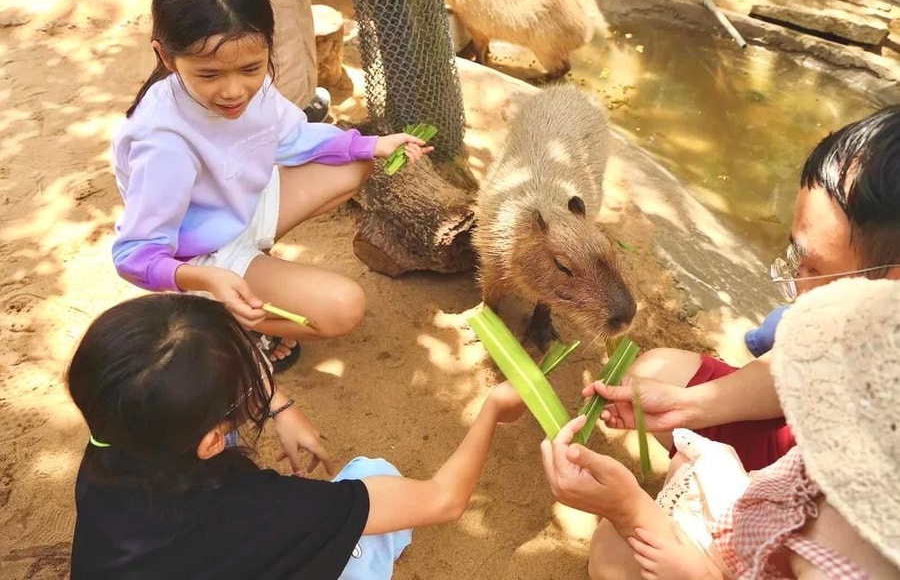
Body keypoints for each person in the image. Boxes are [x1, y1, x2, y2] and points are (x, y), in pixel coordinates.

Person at [67, 293, 525, 579]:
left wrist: (279, 405)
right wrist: (491, 410)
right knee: (373, 472)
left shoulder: (115, 433)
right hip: (249, 530)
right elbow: (442, 500)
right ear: (209, 442)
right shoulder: (271, 511)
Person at [111, 0, 432, 371]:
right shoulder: (163, 143)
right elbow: (133, 255)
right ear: (165, 56)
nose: (234, 91)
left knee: (354, 162)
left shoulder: (252, 88)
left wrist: (371, 145)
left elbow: (292, 137)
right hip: (202, 254)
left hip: (236, 207)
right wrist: (206, 278)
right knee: (343, 308)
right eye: (209, 75)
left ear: (267, 43)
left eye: (251, 68)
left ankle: (251, 277)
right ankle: (224, 324)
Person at [592, 105, 900, 472]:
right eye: (795, 254)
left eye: (815, 268)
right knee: (659, 371)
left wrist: (637, 513)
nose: (796, 278)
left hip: (826, 485)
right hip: (801, 431)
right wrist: (684, 405)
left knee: (683, 482)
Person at [542, 277, 900, 579]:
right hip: (764, 517)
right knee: (685, 449)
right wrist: (685, 408)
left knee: (613, 552)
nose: (798, 295)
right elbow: (793, 367)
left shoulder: (843, 550)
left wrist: (630, 510)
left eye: (816, 268)